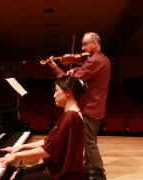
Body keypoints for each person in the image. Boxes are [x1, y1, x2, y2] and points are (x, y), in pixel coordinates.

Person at [0, 75, 87, 180]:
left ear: (68, 92)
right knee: (20, 174)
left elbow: (48, 151)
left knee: (19, 178)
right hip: (61, 165)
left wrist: (17, 155)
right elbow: (49, 141)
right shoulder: (72, 113)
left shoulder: (71, 116)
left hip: (66, 172)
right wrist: (21, 147)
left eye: (56, 91)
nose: (54, 95)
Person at [46, 32, 111, 174]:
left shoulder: (93, 61)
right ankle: (90, 171)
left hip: (89, 108)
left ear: (94, 43)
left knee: (89, 144)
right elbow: (85, 71)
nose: (82, 48)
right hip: (97, 108)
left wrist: (54, 67)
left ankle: (99, 173)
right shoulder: (103, 59)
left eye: (85, 44)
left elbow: (69, 83)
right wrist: (75, 69)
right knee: (87, 142)